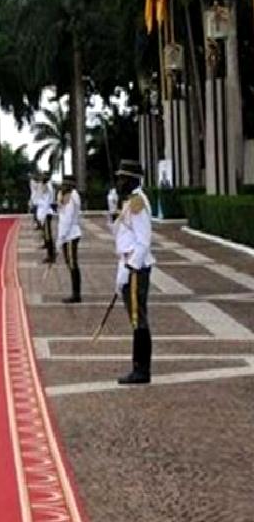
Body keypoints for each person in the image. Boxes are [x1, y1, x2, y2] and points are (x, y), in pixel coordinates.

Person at [113, 160, 155, 385]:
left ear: (132, 180)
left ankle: (141, 370)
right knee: (136, 318)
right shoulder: (130, 201)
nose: (119, 182)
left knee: (139, 319)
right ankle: (139, 367)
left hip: (136, 268)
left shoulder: (137, 203)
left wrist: (130, 267)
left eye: (123, 178)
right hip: (130, 264)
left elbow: (143, 241)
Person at [57, 175, 83, 303]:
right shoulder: (65, 196)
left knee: (73, 264)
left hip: (71, 234)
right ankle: (75, 292)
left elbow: (68, 218)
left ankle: (76, 294)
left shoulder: (72, 197)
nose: (63, 187)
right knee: (69, 263)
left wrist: (61, 237)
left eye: (66, 185)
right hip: (66, 234)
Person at [35, 173, 57, 264]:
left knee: (48, 235)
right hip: (43, 212)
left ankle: (51, 255)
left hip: (46, 213)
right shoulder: (45, 186)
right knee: (46, 234)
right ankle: (50, 253)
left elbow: (45, 195)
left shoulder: (48, 187)